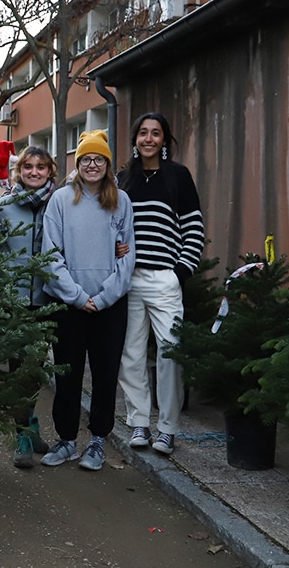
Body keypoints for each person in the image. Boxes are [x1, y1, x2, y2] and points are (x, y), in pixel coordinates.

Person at [39, 130, 135, 472]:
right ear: (77, 164)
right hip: (70, 305)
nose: (92, 165)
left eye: (98, 159)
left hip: (110, 306)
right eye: (86, 159)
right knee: (68, 374)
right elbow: (49, 255)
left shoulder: (120, 201)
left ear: (107, 165)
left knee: (106, 375)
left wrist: (105, 296)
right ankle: (66, 440)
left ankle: (97, 441)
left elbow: (127, 256)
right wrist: (78, 297)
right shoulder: (61, 201)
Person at [116, 112, 205, 456]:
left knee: (171, 353)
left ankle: (167, 428)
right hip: (130, 280)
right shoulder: (124, 179)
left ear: (164, 140)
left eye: (156, 133)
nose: (149, 139)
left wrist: (181, 272)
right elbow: (114, 227)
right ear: (136, 139)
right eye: (143, 133)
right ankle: (139, 422)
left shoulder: (178, 176)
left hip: (165, 279)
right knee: (132, 354)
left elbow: (194, 228)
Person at [0, 145, 57, 468]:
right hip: (14, 300)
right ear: (19, 171)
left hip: (48, 298)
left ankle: (31, 423)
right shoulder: (5, 206)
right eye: (28, 167)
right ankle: (21, 433)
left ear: (50, 171)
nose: (34, 172)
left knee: (37, 367)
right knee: (18, 367)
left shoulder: (59, 205)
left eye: (41, 167)